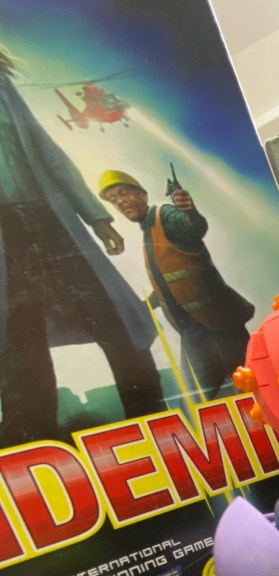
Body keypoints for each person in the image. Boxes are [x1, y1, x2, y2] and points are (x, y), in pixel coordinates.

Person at [0, 46, 165, 446]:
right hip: (6, 238)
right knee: (19, 342)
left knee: (112, 318)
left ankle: (153, 423)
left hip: (50, 221)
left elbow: (46, 152)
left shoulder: (3, 86)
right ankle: (31, 447)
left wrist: (95, 216)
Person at [99, 169, 255, 401]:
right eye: (113, 200)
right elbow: (170, 281)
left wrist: (189, 211)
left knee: (252, 385)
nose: (120, 202)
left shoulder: (166, 215)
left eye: (123, 193)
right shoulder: (149, 231)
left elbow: (192, 228)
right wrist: (144, 307)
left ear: (143, 195)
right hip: (192, 333)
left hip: (218, 326)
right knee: (198, 401)